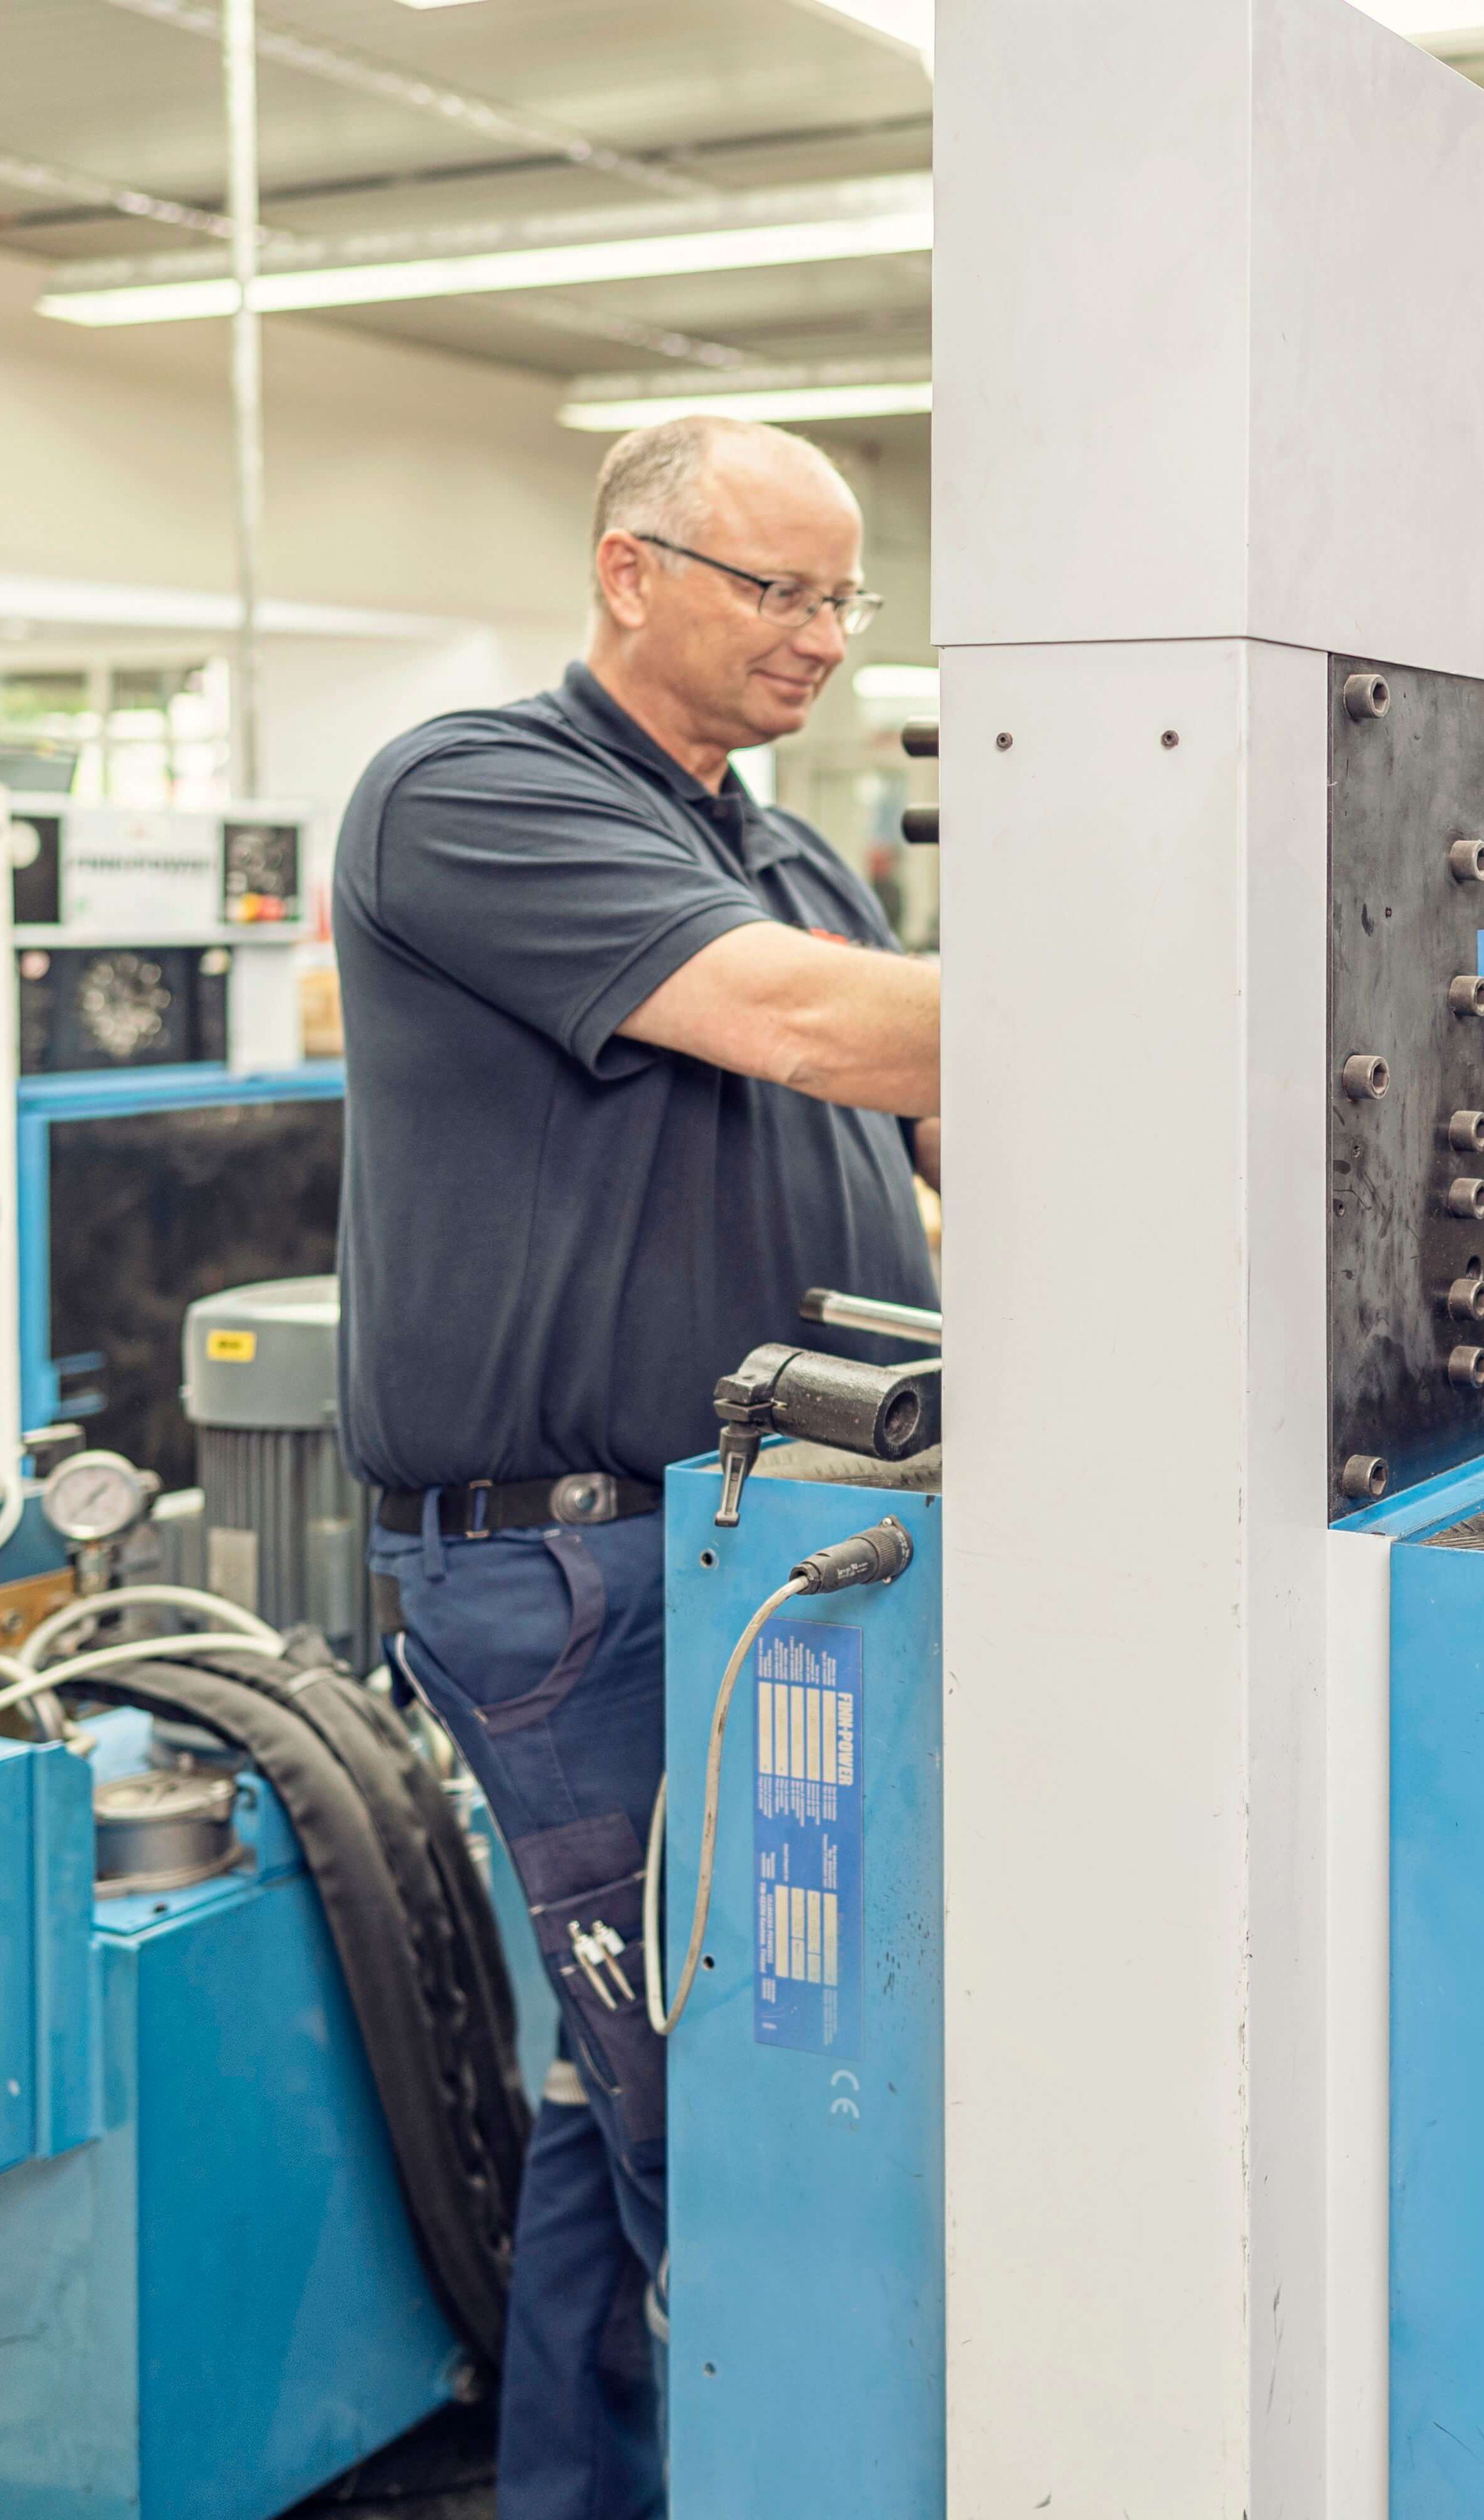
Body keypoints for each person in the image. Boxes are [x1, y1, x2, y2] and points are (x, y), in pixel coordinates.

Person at [333, 413, 941, 2519]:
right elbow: (813, 1031)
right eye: (775, 590)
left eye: (843, 601)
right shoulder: (476, 791)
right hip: (585, 1582)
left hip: (794, 1544)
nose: (821, 641)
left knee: (639, 2104)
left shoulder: (794, 850)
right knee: (742, 2122)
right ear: (628, 571)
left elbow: (921, 1111)